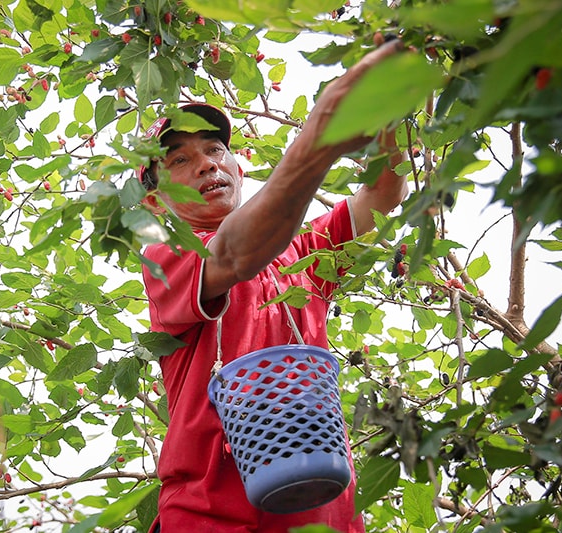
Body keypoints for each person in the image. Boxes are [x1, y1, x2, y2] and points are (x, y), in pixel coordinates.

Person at [140, 39, 408, 533]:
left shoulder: (301, 253)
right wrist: (320, 138)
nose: (206, 164)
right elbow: (237, 252)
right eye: (179, 160)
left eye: (216, 149)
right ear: (157, 204)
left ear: (238, 166)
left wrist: (385, 106)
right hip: (211, 517)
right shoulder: (170, 257)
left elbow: (385, 191)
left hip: (326, 513)